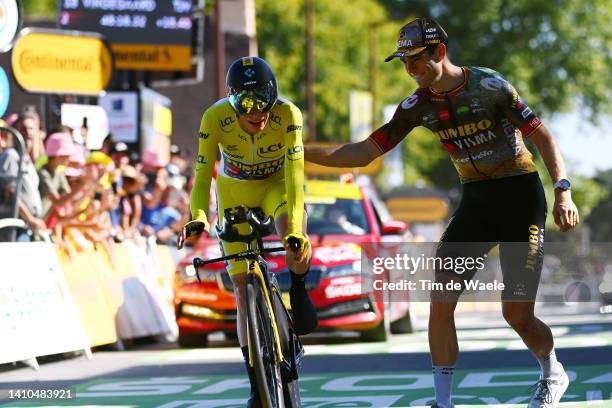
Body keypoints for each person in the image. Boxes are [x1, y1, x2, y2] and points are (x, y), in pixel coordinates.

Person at [305, 18, 579, 408]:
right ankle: (443, 401)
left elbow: (543, 137)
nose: (410, 70)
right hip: (477, 202)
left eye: (417, 60)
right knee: (440, 298)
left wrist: (563, 192)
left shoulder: (491, 86)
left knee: (516, 314)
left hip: (521, 198)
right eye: (404, 63)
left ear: (440, 52)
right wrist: (300, 153)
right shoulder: (417, 106)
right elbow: (364, 152)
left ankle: (553, 372)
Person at [176, 56, 317, 407]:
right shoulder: (215, 117)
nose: (257, 113)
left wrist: (296, 230)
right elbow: (202, 170)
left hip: (276, 186)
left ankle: (298, 286)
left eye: (263, 102)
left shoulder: (288, 114)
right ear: (232, 99)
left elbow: (296, 174)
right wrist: (197, 216)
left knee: (292, 237)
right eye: (247, 104)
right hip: (234, 191)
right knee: (241, 289)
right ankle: (256, 381)